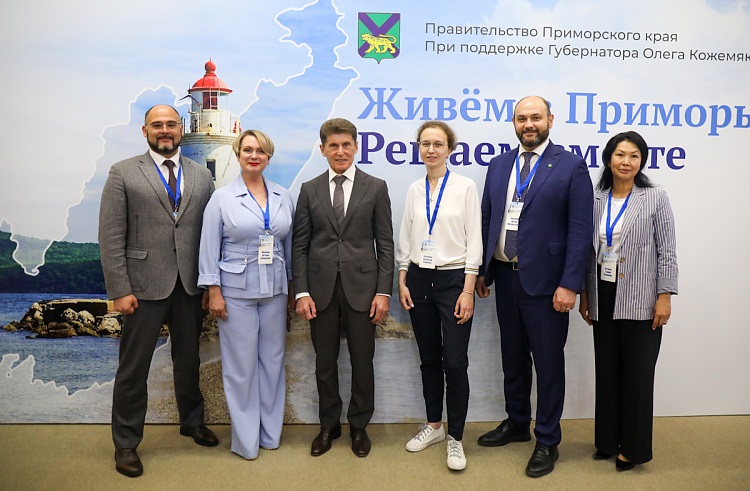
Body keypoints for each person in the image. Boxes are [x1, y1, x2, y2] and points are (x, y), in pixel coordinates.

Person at [475, 96, 593, 478]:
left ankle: (547, 439)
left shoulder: (571, 165)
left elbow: (580, 231)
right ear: (513, 123)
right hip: (505, 276)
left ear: (550, 120)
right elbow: (489, 218)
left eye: (536, 117)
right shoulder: (498, 165)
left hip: (547, 285)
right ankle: (517, 422)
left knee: (548, 363)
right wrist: (483, 271)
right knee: (512, 357)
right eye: (522, 118)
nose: (529, 124)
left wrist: (570, 285)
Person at [99, 104, 218, 478]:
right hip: (142, 287)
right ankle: (126, 443)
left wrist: (209, 283)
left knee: (189, 360)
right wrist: (120, 289)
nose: (164, 130)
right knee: (134, 369)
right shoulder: (123, 173)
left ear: (181, 129)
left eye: (170, 124)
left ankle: (192, 422)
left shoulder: (202, 176)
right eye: (157, 125)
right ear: (145, 131)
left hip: (189, 285)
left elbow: (210, 235)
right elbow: (111, 237)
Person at [292, 118, 394, 458]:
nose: (340, 151)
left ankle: (359, 426)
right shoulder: (309, 189)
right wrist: (301, 292)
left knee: (363, 362)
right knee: (325, 363)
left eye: (346, 145)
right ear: (322, 149)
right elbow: (300, 246)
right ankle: (329, 425)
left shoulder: (375, 187)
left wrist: (383, 292)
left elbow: (385, 244)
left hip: (363, 289)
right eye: (333, 145)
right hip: (319, 290)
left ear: (356, 147)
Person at [578, 131, 678, 472]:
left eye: (634, 156)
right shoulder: (595, 198)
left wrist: (664, 295)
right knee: (607, 371)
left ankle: (631, 449)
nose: (626, 161)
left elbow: (667, 251)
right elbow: (586, 251)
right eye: (620, 154)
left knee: (637, 375)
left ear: (641, 162)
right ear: (609, 159)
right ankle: (607, 441)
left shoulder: (655, 197)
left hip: (641, 296)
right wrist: (585, 294)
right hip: (602, 293)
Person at [198, 129, 295, 460]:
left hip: (275, 290)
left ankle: (269, 435)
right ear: (237, 154)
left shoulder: (283, 196)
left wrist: (293, 287)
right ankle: (246, 441)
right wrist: (213, 290)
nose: (254, 156)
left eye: (261, 151)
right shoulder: (222, 198)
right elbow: (209, 247)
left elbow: (288, 246)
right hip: (235, 292)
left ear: (269, 157)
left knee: (273, 363)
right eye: (248, 150)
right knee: (241, 368)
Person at [396, 121, 482, 471]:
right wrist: (402, 279)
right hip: (418, 280)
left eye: (438, 144)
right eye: (425, 144)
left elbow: (474, 239)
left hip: (454, 281)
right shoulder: (415, 189)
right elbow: (406, 235)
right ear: (419, 148)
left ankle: (456, 438)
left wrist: (468, 290)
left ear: (450, 149)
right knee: (429, 358)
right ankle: (434, 426)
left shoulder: (465, 187)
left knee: (455, 362)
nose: (431, 150)